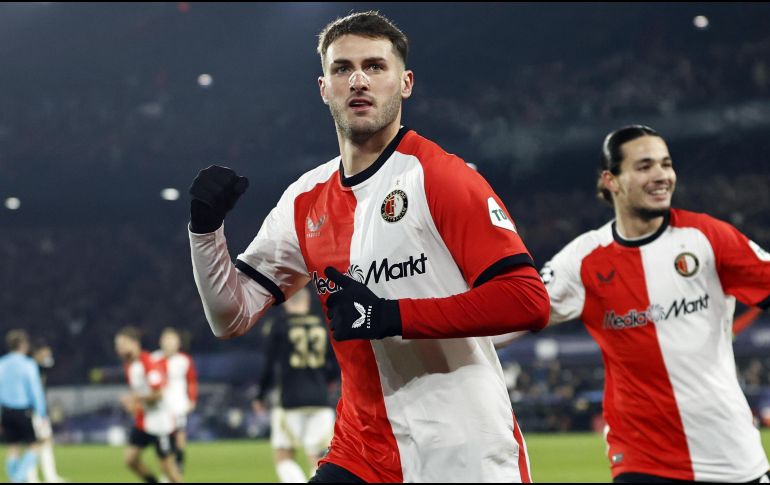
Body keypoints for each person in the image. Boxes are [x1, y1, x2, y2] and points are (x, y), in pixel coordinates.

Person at [188, 10, 549, 483]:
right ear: (324, 88)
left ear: (405, 83)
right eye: (343, 68)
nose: (358, 79)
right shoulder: (303, 200)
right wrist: (205, 230)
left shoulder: (440, 176)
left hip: (464, 448)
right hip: (362, 450)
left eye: (375, 66)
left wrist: (391, 316)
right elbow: (230, 317)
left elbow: (527, 300)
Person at [540, 124, 770, 482]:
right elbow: (509, 316)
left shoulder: (709, 237)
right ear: (611, 180)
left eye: (666, 164)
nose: (661, 175)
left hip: (731, 457)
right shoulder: (582, 260)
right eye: (645, 166)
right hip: (641, 460)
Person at [252, 287, 338, 482]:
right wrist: (327, 382)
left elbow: (269, 366)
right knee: (318, 460)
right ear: (307, 302)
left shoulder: (280, 326)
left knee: (283, 457)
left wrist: (260, 396)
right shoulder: (322, 325)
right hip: (320, 399)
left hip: (289, 401)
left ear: (287, 303)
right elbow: (335, 364)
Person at [114, 327, 181, 483]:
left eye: (122, 344)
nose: (119, 348)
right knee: (130, 460)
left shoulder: (148, 362)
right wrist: (134, 405)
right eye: (117, 345)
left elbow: (159, 394)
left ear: (134, 343)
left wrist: (135, 398)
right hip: (144, 421)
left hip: (161, 423)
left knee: (168, 469)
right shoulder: (129, 365)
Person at [0, 330, 46, 483]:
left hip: (6, 411)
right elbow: (35, 390)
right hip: (23, 411)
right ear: (22, 345)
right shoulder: (28, 364)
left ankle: (14, 477)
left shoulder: (2, 363)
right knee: (34, 446)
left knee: (13, 448)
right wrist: (41, 412)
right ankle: (18, 478)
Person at [153, 327, 198, 475]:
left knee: (179, 436)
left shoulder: (184, 360)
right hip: (159, 407)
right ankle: (167, 470)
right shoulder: (153, 359)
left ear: (178, 343)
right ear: (161, 341)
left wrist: (192, 399)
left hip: (179, 405)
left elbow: (191, 381)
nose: (169, 343)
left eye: (172, 340)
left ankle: (178, 466)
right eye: (166, 339)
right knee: (163, 440)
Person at [27, 340, 67, 483]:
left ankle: (37, 477)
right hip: (34, 411)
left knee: (38, 443)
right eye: (46, 353)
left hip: (35, 411)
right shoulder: (32, 368)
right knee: (41, 442)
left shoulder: (36, 368)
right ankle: (46, 477)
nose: (48, 356)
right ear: (37, 353)